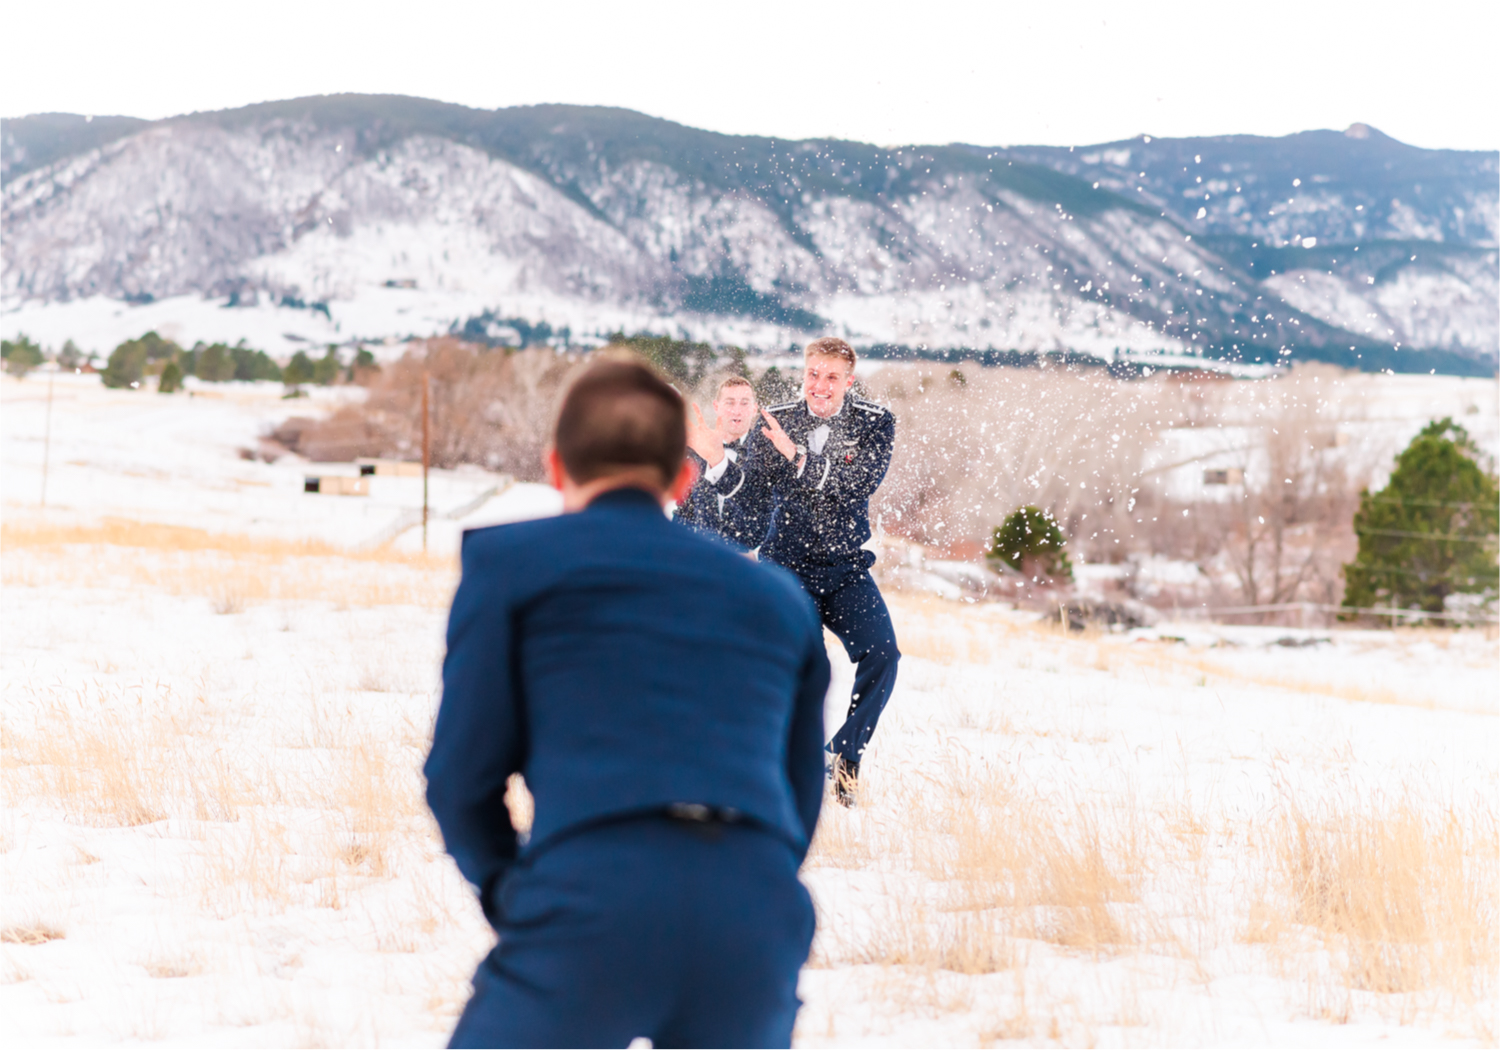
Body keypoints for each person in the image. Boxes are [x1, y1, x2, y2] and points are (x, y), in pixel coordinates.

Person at [424, 360, 830, 1049]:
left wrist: (513, 895)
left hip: (591, 893)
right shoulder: (777, 598)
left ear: (557, 467)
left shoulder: (512, 568)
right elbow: (801, 788)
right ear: (682, 478)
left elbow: (460, 780)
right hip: (752, 916)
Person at [703, 337, 900, 805]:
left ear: (849, 381)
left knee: (884, 654)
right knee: (811, 664)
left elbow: (857, 485)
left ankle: (845, 755)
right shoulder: (774, 420)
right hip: (787, 567)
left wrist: (797, 457)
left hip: (845, 566)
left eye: (831, 377)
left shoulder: (875, 422)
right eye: (813, 374)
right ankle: (788, 767)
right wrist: (716, 462)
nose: (820, 385)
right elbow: (751, 501)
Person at [677, 374, 768, 545]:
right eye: (730, 402)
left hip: (749, 556)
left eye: (744, 403)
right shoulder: (696, 451)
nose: (737, 410)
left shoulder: (766, 454)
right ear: (716, 407)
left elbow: (768, 514)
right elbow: (685, 512)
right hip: (701, 552)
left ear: (754, 408)